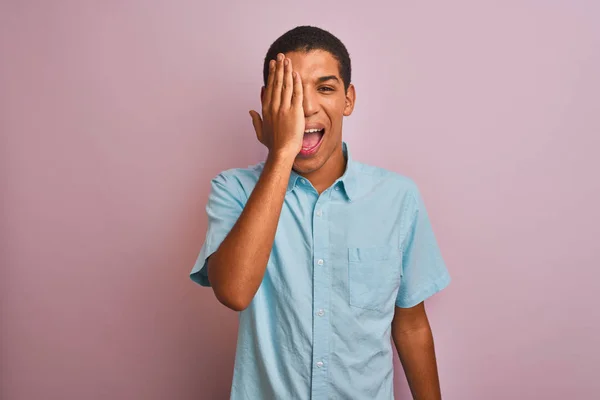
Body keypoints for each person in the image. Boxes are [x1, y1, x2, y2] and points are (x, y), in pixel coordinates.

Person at [190, 25, 451, 400]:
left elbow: (410, 326)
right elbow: (233, 291)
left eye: (325, 88)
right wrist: (281, 154)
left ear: (348, 99)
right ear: (268, 102)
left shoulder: (398, 197)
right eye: (290, 91)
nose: (307, 107)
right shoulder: (232, 190)